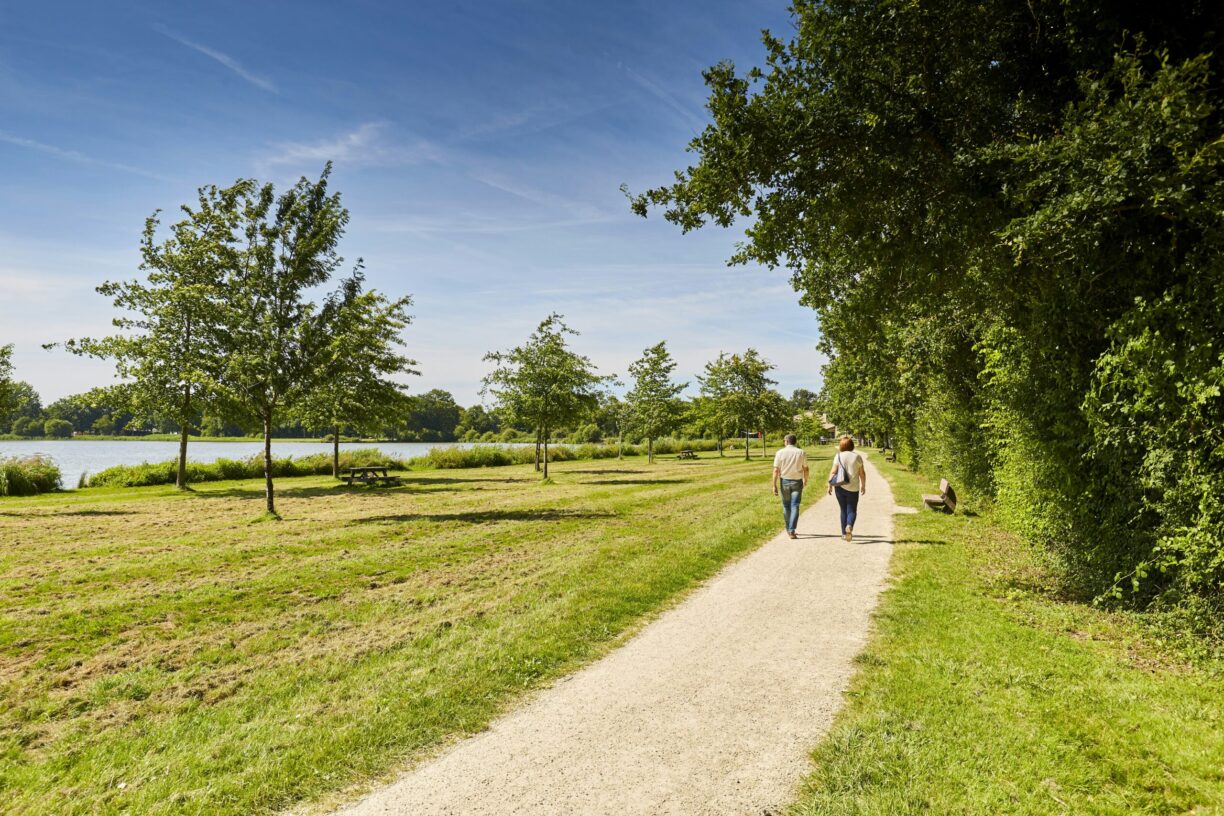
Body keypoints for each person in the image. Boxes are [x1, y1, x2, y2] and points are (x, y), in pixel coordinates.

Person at [827, 435, 866, 541]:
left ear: (841, 446)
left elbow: (833, 472)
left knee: (843, 510)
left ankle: (844, 534)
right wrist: (863, 485)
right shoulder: (857, 457)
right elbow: (862, 473)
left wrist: (829, 484)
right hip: (853, 488)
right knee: (852, 510)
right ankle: (849, 525)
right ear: (852, 445)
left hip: (839, 486)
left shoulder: (838, 456)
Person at [772, 434, 809, 538]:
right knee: (795, 505)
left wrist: (774, 485)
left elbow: (776, 470)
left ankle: (789, 529)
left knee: (786, 506)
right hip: (797, 481)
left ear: (787, 441)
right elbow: (806, 468)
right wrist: (805, 479)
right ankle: (791, 530)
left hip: (785, 481)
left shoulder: (779, 453)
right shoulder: (801, 452)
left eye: (784, 440)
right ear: (795, 442)